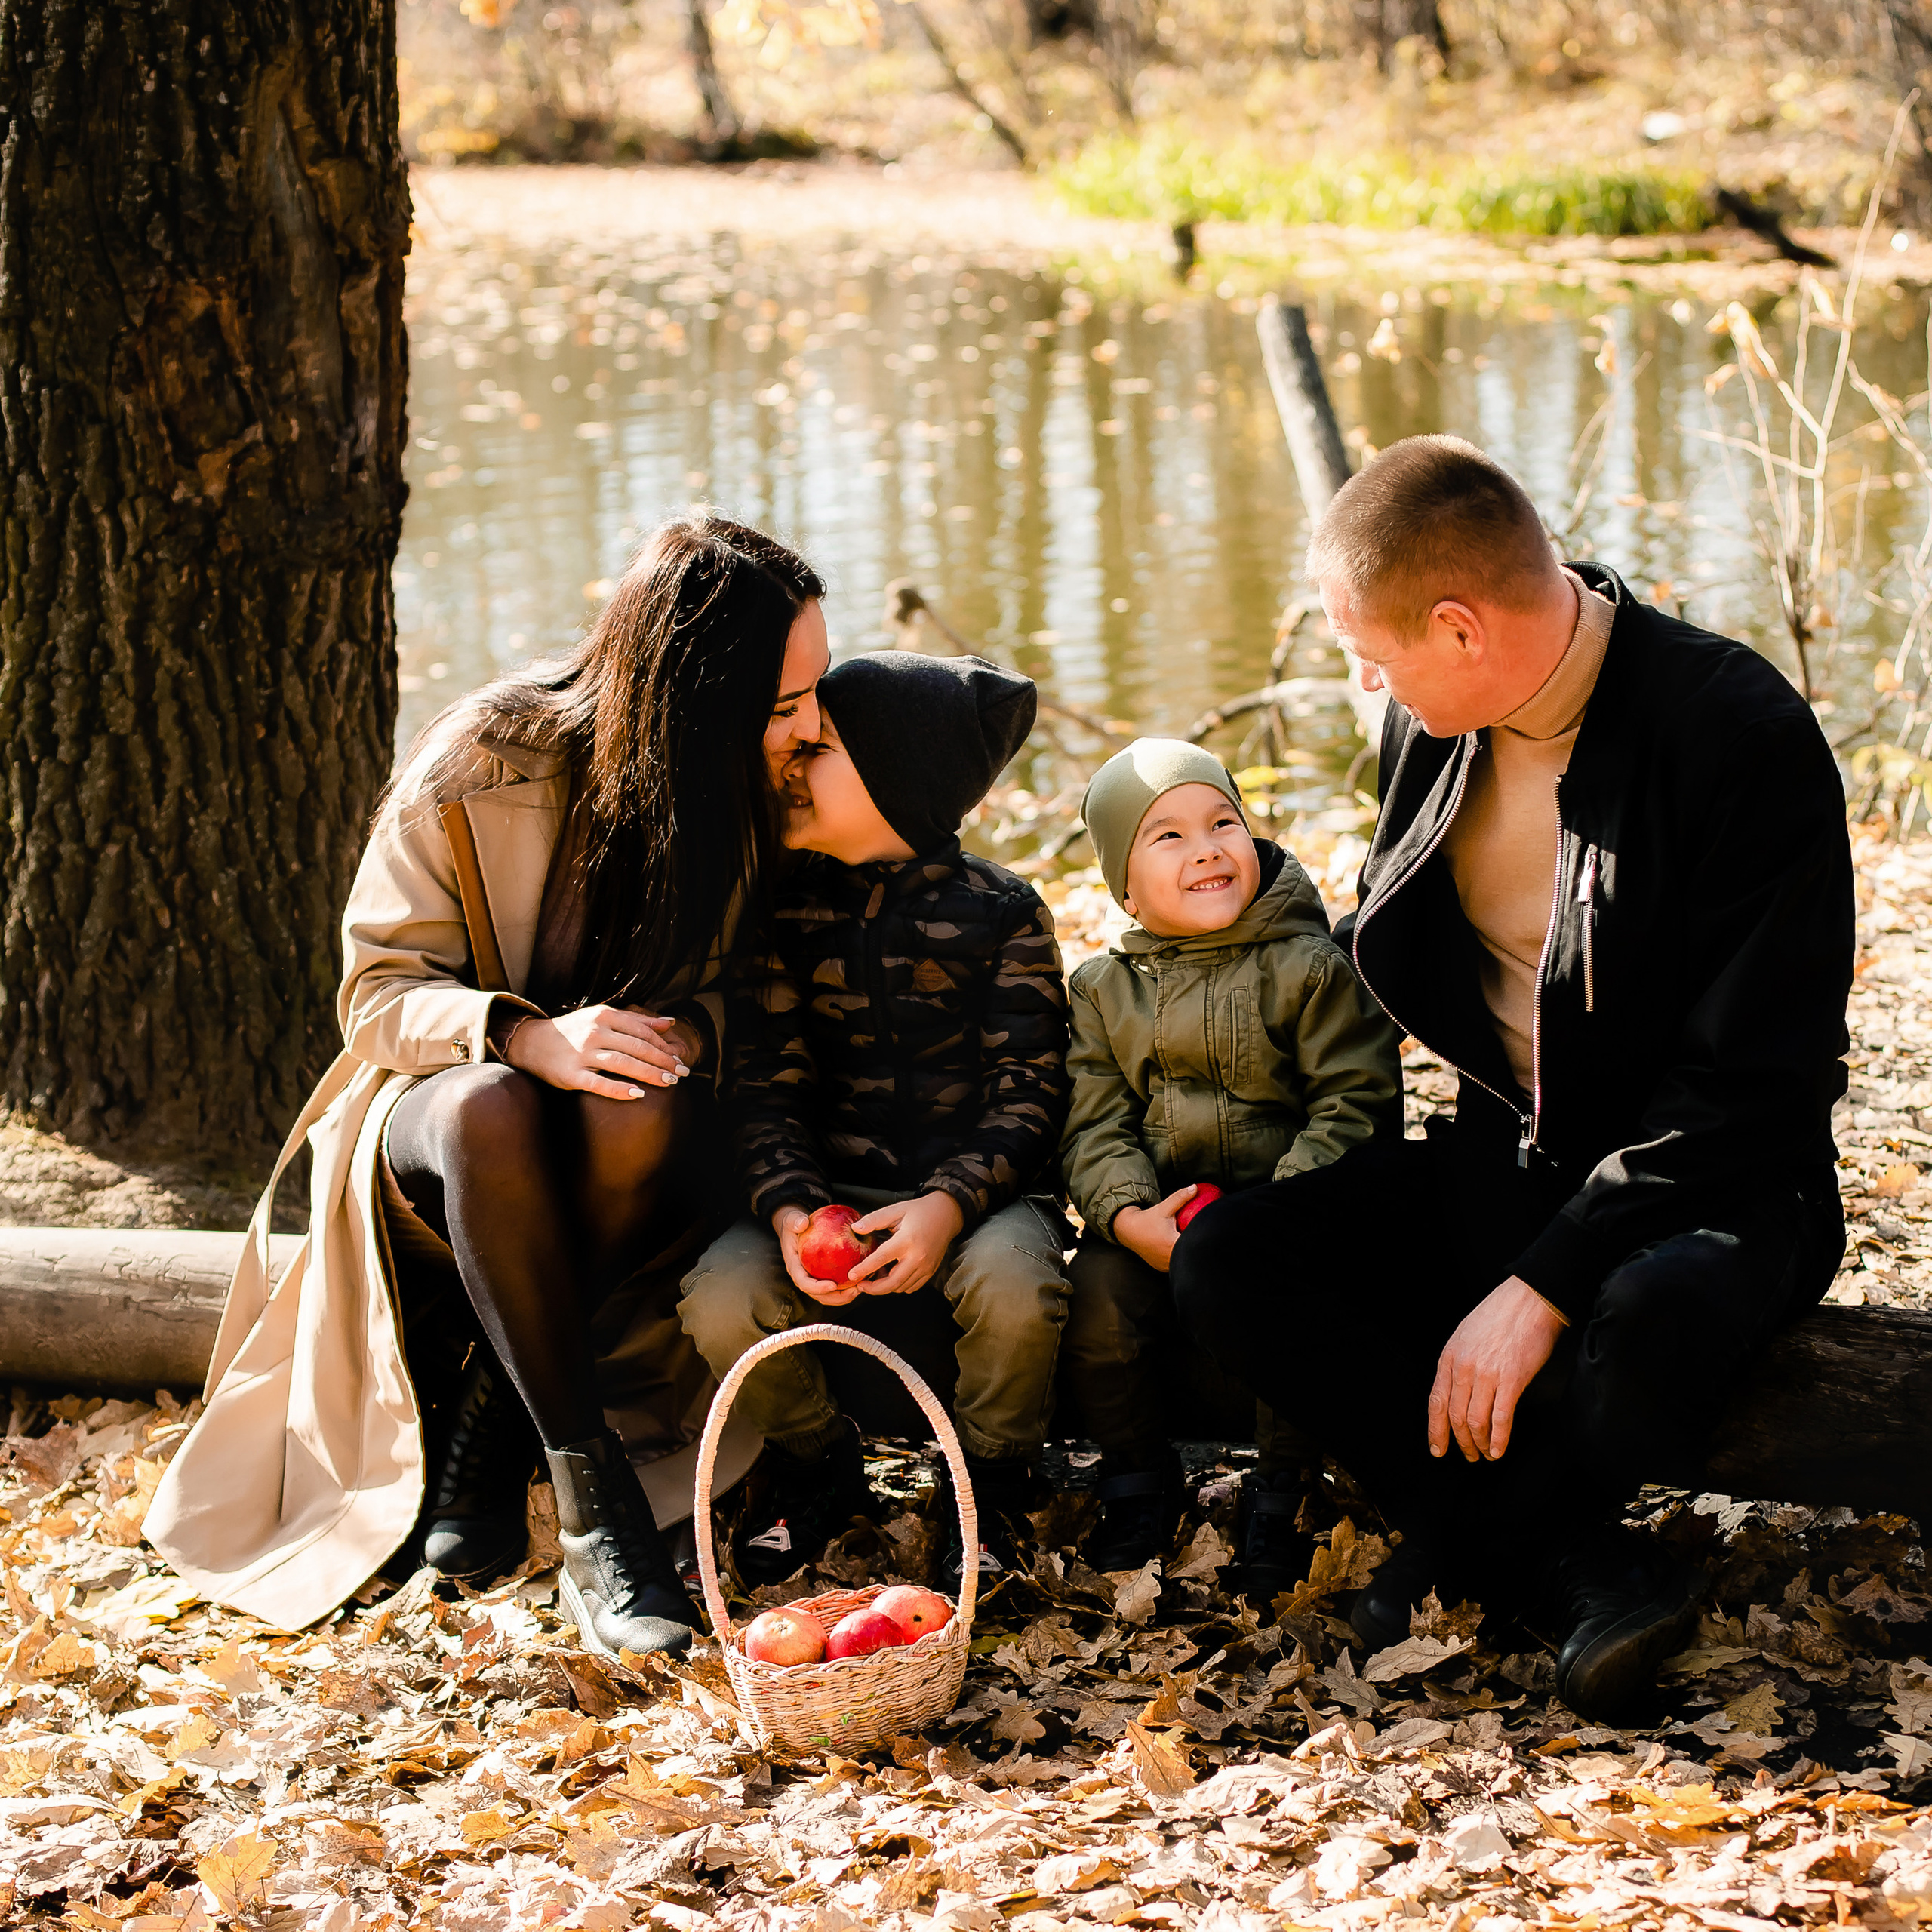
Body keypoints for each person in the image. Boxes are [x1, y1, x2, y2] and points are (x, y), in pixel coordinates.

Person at [1171, 435, 1853, 1718]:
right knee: (1230, 1262)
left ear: (1461, 626)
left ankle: (1470, 1549)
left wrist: (1546, 1281)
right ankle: (1572, 1559)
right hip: (1513, 1157)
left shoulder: (1738, 735)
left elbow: (1760, 1081)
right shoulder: (1436, 725)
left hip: (1718, 1187)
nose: (1361, 679)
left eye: (1373, 652)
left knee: (1638, 1319)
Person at [149, 515, 830, 1660]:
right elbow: (372, 998)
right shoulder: (483, 755)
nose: (811, 727)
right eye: (782, 706)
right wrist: (521, 1035)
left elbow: (744, 1002)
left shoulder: (744, 794)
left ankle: (495, 1412)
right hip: (440, 1130)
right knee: (489, 1108)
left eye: (811, 694)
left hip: (632, 1158)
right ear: (689, 696)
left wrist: (656, 1041)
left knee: (648, 1086)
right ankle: (597, 1514)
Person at [680, 650, 1072, 1588]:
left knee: (1018, 1285)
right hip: (827, 1187)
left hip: (981, 1194)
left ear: (899, 779)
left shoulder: (1002, 911)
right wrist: (789, 1207)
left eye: (821, 749)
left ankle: (990, 1479)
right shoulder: (780, 906)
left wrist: (948, 1204)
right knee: (721, 1295)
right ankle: (817, 1458)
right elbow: (764, 1084)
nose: (793, 761)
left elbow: (1030, 1091)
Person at [1057, 739, 1401, 1586]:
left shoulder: (1308, 966)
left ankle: (1282, 1485)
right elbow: (1093, 1122)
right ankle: (1138, 1476)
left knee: (1288, 1299)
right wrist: (1128, 1213)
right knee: (1098, 1297)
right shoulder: (1104, 989)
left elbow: (1355, 1102)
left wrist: (1272, 1219)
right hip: (1164, 1220)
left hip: (1285, 1214)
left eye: (1223, 822)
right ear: (1124, 885)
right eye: (1166, 835)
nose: (1207, 846)